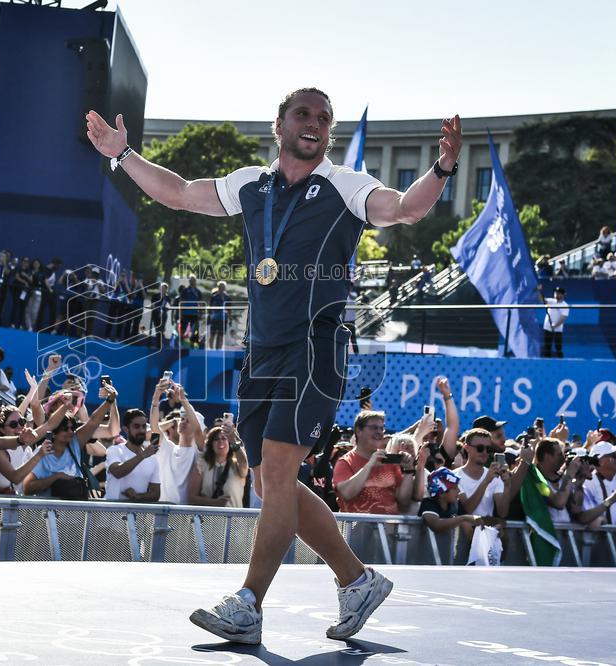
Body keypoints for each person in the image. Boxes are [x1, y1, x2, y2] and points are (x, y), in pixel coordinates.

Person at [86, 87, 462, 643]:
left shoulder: (345, 186)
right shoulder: (250, 185)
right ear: (279, 125)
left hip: (313, 348)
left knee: (281, 472)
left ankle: (249, 605)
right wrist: (123, 155)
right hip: (260, 352)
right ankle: (357, 580)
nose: (315, 123)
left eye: (324, 118)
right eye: (303, 114)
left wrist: (444, 167)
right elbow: (184, 194)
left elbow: (405, 207)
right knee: (267, 481)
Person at [188, 424, 249, 507]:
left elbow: (244, 464)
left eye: (224, 438)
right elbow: (191, 498)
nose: (221, 441)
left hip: (233, 519)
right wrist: (214, 502)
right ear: (211, 444)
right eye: (216, 439)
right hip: (208, 518)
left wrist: (233, 440)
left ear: (229, 443)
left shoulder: (237, 466)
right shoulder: (201, 465)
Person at [541, 286, 569, 358]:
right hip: (547, 328)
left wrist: (555, 325)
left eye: (558, 293)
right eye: (555, 293)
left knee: (558, 348)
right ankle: (547, 363)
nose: (556, 294)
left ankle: (561, 364)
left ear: (563, 295)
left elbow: (563, 317)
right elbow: (542, 300)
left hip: (557, 330)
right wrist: (539, 291)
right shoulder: (551, 301)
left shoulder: (565, 305)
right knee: (547, 347)